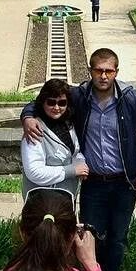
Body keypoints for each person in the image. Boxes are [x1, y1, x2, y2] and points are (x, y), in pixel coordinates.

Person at [20, 48, 136, 271]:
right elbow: (44, 99)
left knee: (117, 238)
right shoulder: (79, 96)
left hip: (125, 182)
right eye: (98, 70)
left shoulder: (131, 99)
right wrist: (28, 116)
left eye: (109, 71)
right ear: (90, 71)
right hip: (94, 183)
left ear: (116, 72)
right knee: (88, 236)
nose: (103, 76)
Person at [21, 78, 87, 206]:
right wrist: (72, 171)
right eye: (51, 102)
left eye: (62, 103)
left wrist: (80, 162)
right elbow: (34, 172)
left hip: (66, 198)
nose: (56, 107)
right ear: (42, 102)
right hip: (41, 202)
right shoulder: (34, 129)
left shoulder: (68, 125)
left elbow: (75, 152)